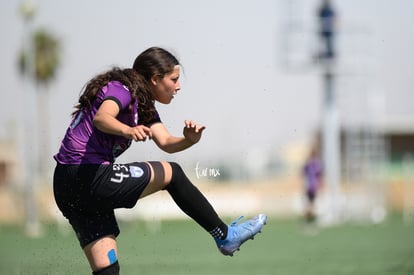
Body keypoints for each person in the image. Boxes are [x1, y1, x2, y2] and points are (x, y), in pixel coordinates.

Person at [53, 47, 267, 275]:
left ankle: (225, 237)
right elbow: (102, 118)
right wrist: (128, 129)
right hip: (87, 175)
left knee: (107, 268)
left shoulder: (143, 104)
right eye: (174, 79)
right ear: (155, 79)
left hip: (68, 186)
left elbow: (165, 142)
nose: (178, 86)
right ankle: (225, 236)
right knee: (172, 174)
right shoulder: (121, 89)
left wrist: (189, 140)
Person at [302, 147, 323, 224]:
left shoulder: (308, 163)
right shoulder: (317, 164)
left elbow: (304, 174)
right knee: (311, 204)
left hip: (308, 186)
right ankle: (309, 221)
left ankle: (307, 220)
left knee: (309, 204)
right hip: (313, 187)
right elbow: (319, 175)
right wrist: (320, 184)